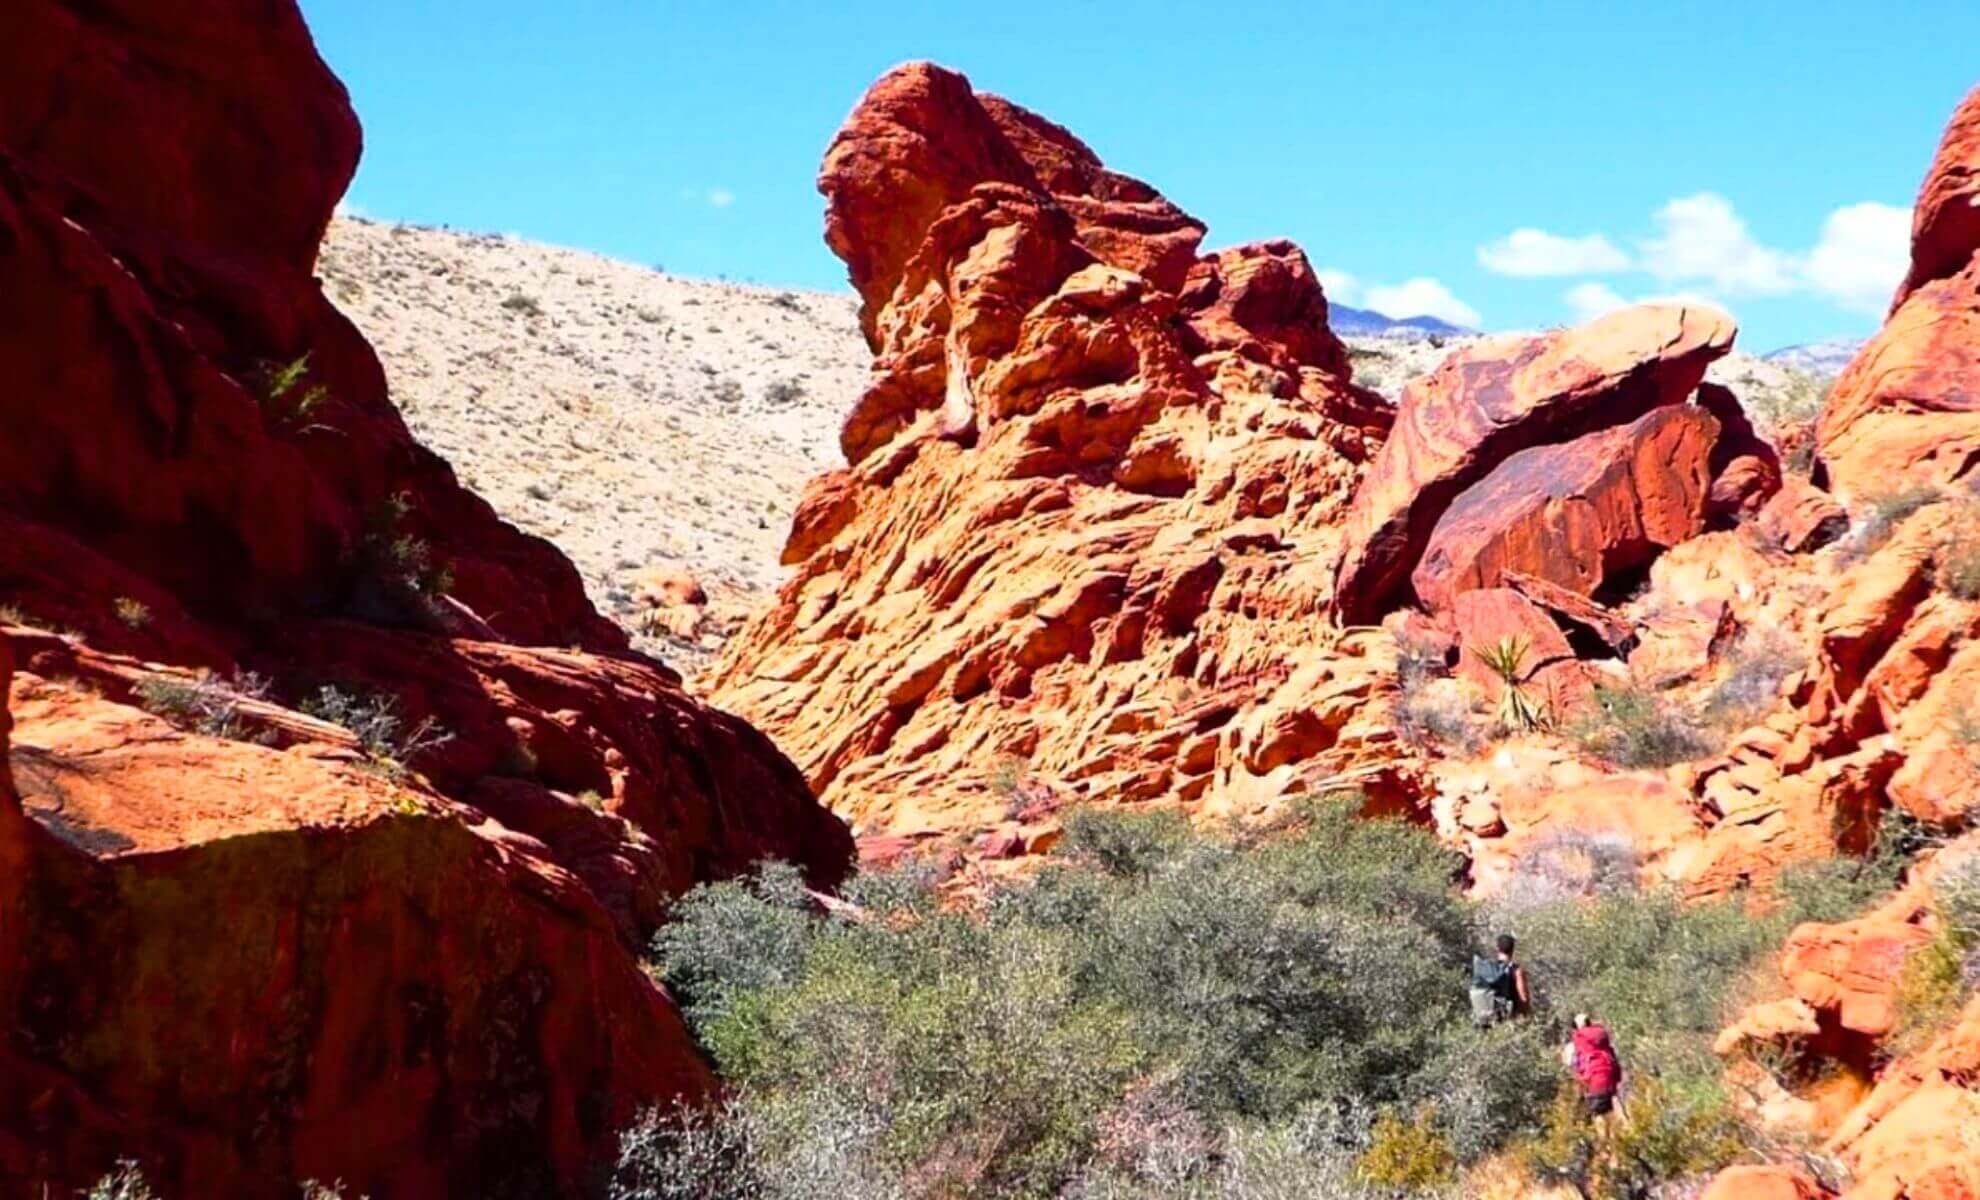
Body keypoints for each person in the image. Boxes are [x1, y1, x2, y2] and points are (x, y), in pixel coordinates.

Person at [1564, 1012, 1624, 1134]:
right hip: (1610, 1076)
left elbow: (1570, 1064)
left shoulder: (1576, 1043)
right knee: (1609, 1111)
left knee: (1598, 1114)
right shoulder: (1602, 1038)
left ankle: (1604, 1146)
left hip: (1593, 1079)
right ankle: (1617, 1141)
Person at [1468, 933, 1531, 1026]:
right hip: (1505, 1022)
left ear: (1497, 948)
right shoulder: (1516, 970)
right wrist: (1524, 1019)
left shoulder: (1487, 968)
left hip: (1482, 1020)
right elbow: (1523, 998)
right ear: (1513, 950)